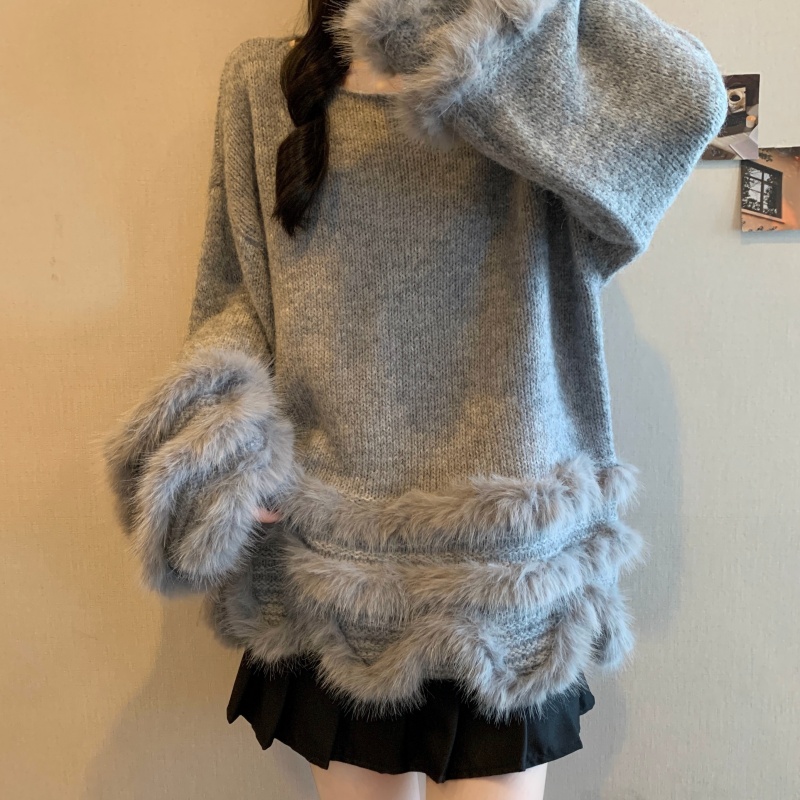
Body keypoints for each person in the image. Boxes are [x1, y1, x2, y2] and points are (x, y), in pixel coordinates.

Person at [102, 0, 727, 797]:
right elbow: (239, 294)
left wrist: (479, 27)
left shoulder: (526, 64)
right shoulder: (264, 84)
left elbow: (689, 100)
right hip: (334, 563)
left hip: (506, 567)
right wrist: (233, 438)